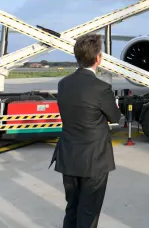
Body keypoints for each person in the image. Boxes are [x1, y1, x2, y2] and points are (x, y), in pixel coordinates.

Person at [50, 33, 122, 228]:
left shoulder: (63, 84)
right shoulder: (101, 88)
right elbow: (115, 118)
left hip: (69, 157)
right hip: (94, 160)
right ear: (98, 58)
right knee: (88, 213)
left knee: (72, 208)